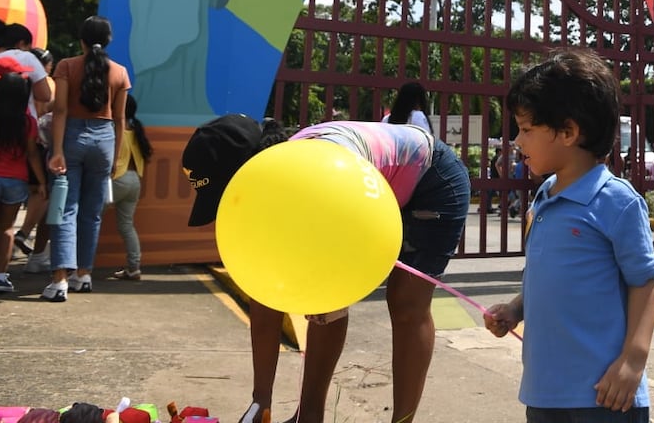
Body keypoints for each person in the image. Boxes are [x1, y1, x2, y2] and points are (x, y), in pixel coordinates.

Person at [183, 114, 470, 423]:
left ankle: (399, 421)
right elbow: (263, 296)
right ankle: (307, 415)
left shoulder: (316, 174)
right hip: (372, 188)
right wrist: (259, 406)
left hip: (431, 178)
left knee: (405, 304)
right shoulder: (277, 186)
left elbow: (333, 293)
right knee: (291, 290)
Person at [484, 49, 654, 421]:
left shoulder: (616, 201)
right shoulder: (545, 195)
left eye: (527, 129)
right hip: (545, 391)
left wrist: (632, 361)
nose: (517, 141)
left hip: (605, 395)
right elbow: (547, 276)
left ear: (568, 132)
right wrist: (515, 310)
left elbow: (644, 283)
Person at [43, 16, 131, 302]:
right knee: (92, 213)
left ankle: (59, 281)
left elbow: (60, 111)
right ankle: (84, 274)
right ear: (108, 41)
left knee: (64, 208)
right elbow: (120, 120)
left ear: (81, 39)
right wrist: (116, 158)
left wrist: (56, 150)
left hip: (72, 137)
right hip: (104, 140)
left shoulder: (67, 66)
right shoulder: (120, 72)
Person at [0, 57, 45, 296]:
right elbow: (32, 155)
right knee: (7, 229)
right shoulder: (27, 122)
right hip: (16, 180)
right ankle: (0, 277)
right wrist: (42, 182)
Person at [15, 46, 55, 271]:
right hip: (40, 144)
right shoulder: (47, 83)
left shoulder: (19, 82)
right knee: (43, 192)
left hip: (17, 141)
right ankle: (25, 234)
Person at [108, 94, 152, 280]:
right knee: (126, 226)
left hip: (117, 178)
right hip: (135, 180)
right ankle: (134, 268)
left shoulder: (114, 128)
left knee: (89, 220)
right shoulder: (136, 129)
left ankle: (78, 267)